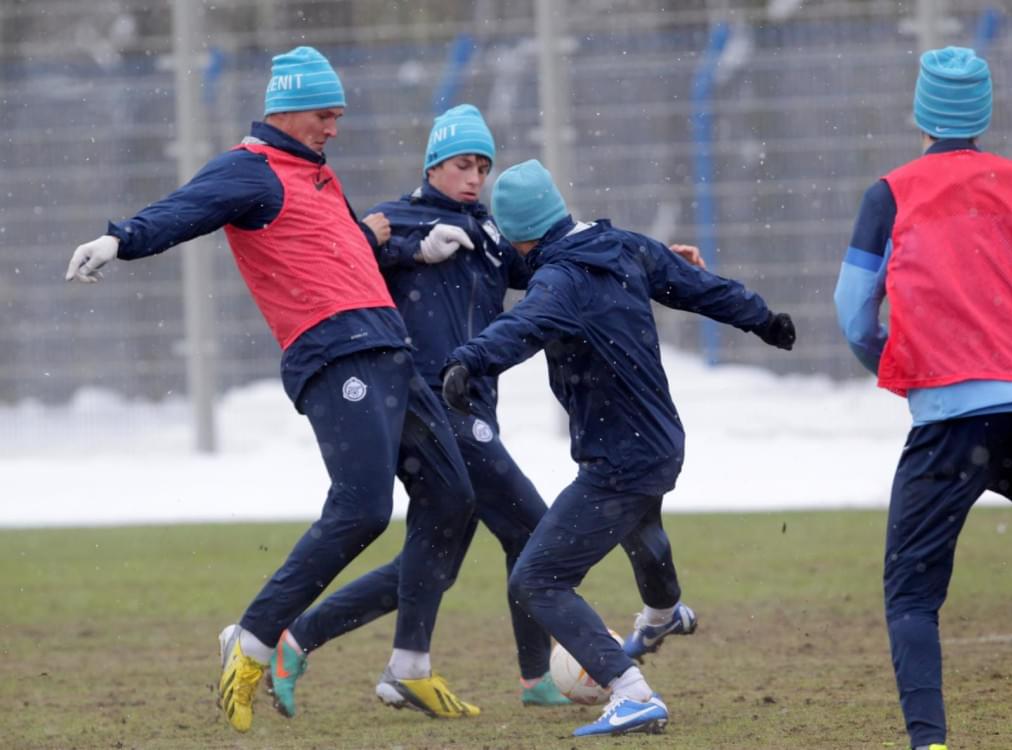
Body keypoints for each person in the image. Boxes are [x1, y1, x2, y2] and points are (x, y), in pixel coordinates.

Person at [64, 46, 481, 733]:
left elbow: (344, 250)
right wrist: (122, 240)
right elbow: (186, 208)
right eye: (325, 115)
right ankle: (252, 640)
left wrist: (410, 249)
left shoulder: (317, 174)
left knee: (454, 500)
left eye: (338, 115)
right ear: (286, 109)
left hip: (389, 348)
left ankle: (409, 665)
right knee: (362, 510)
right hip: (334, 352)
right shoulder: (249, 169)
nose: (334, 128)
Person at [265, 104, 699, 719]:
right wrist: (409, 249)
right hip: (427, 405)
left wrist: (647, 265)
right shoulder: (396, 219)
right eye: (462, 164)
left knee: (432, 562)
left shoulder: (492, 233)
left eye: (483, 168)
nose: (474, 178)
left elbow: (559, 262)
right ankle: (526, 674)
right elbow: (339, 265)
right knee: (531, 530)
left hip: (475, 408)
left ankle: (313, 644)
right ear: (433, 165)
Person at [440, 159, 796, 737]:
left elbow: (523, 325)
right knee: (642, 529)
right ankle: (664, 614)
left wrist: (467, 361)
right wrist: (764, 319)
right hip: (658, 442)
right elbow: (700, 288)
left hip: (619, 460)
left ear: (517, 234)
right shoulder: (624, 247)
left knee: (536, 581)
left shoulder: (560, 281)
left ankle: (631, 692)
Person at [834, 46, 1012, 750]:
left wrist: (889, 362)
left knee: (912, 595)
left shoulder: (890, 194)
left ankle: (930, 742)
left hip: (946, 423)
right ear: (983, 114)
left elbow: (853, 313)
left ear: (922, 114)